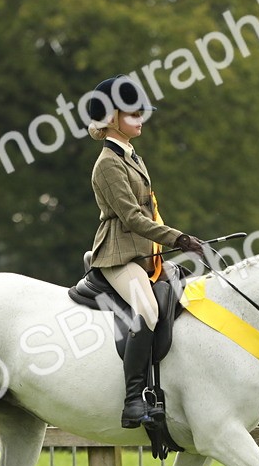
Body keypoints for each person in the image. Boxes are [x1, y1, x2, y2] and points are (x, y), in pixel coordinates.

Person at [86, 75, 207, 429]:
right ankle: (132, 400)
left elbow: (149, 211)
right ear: (112, 118)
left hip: (144, 254)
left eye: (141, 112)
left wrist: (173, 243)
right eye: (133, 113)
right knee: (148, 310)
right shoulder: (108, 163)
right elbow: (132, 218)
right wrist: (178, 239)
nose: (141, 118)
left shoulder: (131, 157)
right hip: (118, 256)